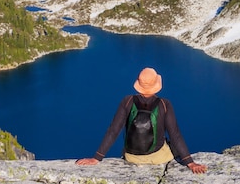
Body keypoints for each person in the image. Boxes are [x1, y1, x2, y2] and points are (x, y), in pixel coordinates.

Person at [76, 67, 207, 174]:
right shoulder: (164, 104)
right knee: (172, 145)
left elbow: (113, 131)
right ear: (156, 84)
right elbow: (175, 134)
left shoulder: (127, 101)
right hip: (157, 158)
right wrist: (190, 162)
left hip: (132, 157)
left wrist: (97, 158)